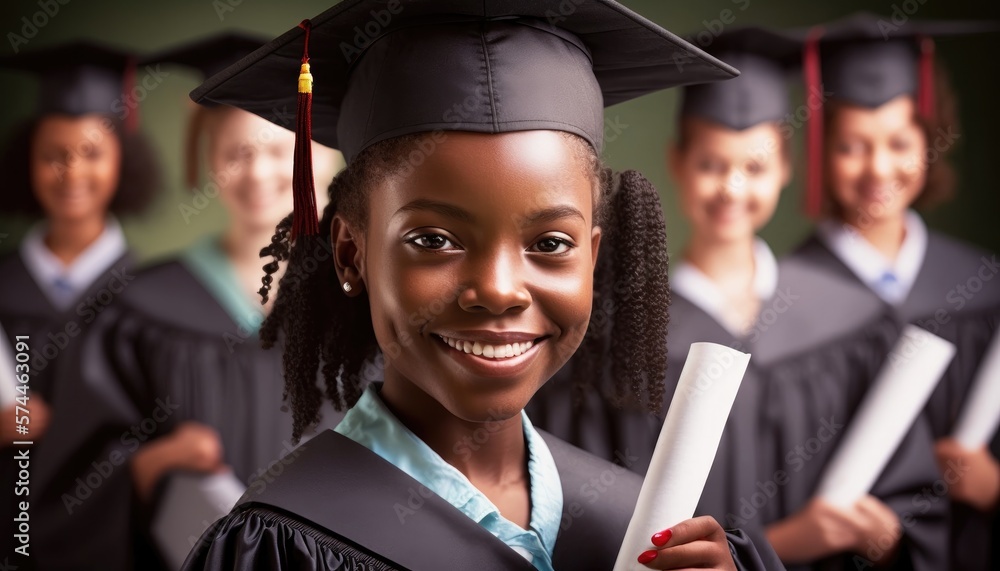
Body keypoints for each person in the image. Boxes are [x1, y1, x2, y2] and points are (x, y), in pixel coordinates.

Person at [181, 1, 783, 569]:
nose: (497, 291)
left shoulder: (646, 529)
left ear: (593, 259)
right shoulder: (281, 547)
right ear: (351, 254)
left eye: (550, 244)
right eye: (434, 240)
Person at [28, 33, 344, 570]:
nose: (258, 172)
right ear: (209, 161)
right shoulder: (141, 305)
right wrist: (148, 466)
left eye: (278, 150)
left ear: (319, 156)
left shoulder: (359, 297)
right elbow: (68, 473)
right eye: (236, 153)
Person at [529, 25, 801, 545]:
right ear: (677, 162)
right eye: (710, 164)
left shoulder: (832, 323)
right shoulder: (629, 339)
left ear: (786, 166)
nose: (732, 187)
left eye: (755, 165)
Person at [780, 12, 1000, 570]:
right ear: (820, 151)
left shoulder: (983, 287)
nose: (879, 168)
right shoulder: (782, 304)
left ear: (929, 141)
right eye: (852, 146)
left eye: (900, 142)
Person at [0, 40, 162, 569]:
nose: (72, 174)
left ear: (122, 161)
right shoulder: (5, 286)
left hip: (114, 543)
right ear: (28, 162)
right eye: (53, 155)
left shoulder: (153, 294)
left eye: (92, 153)